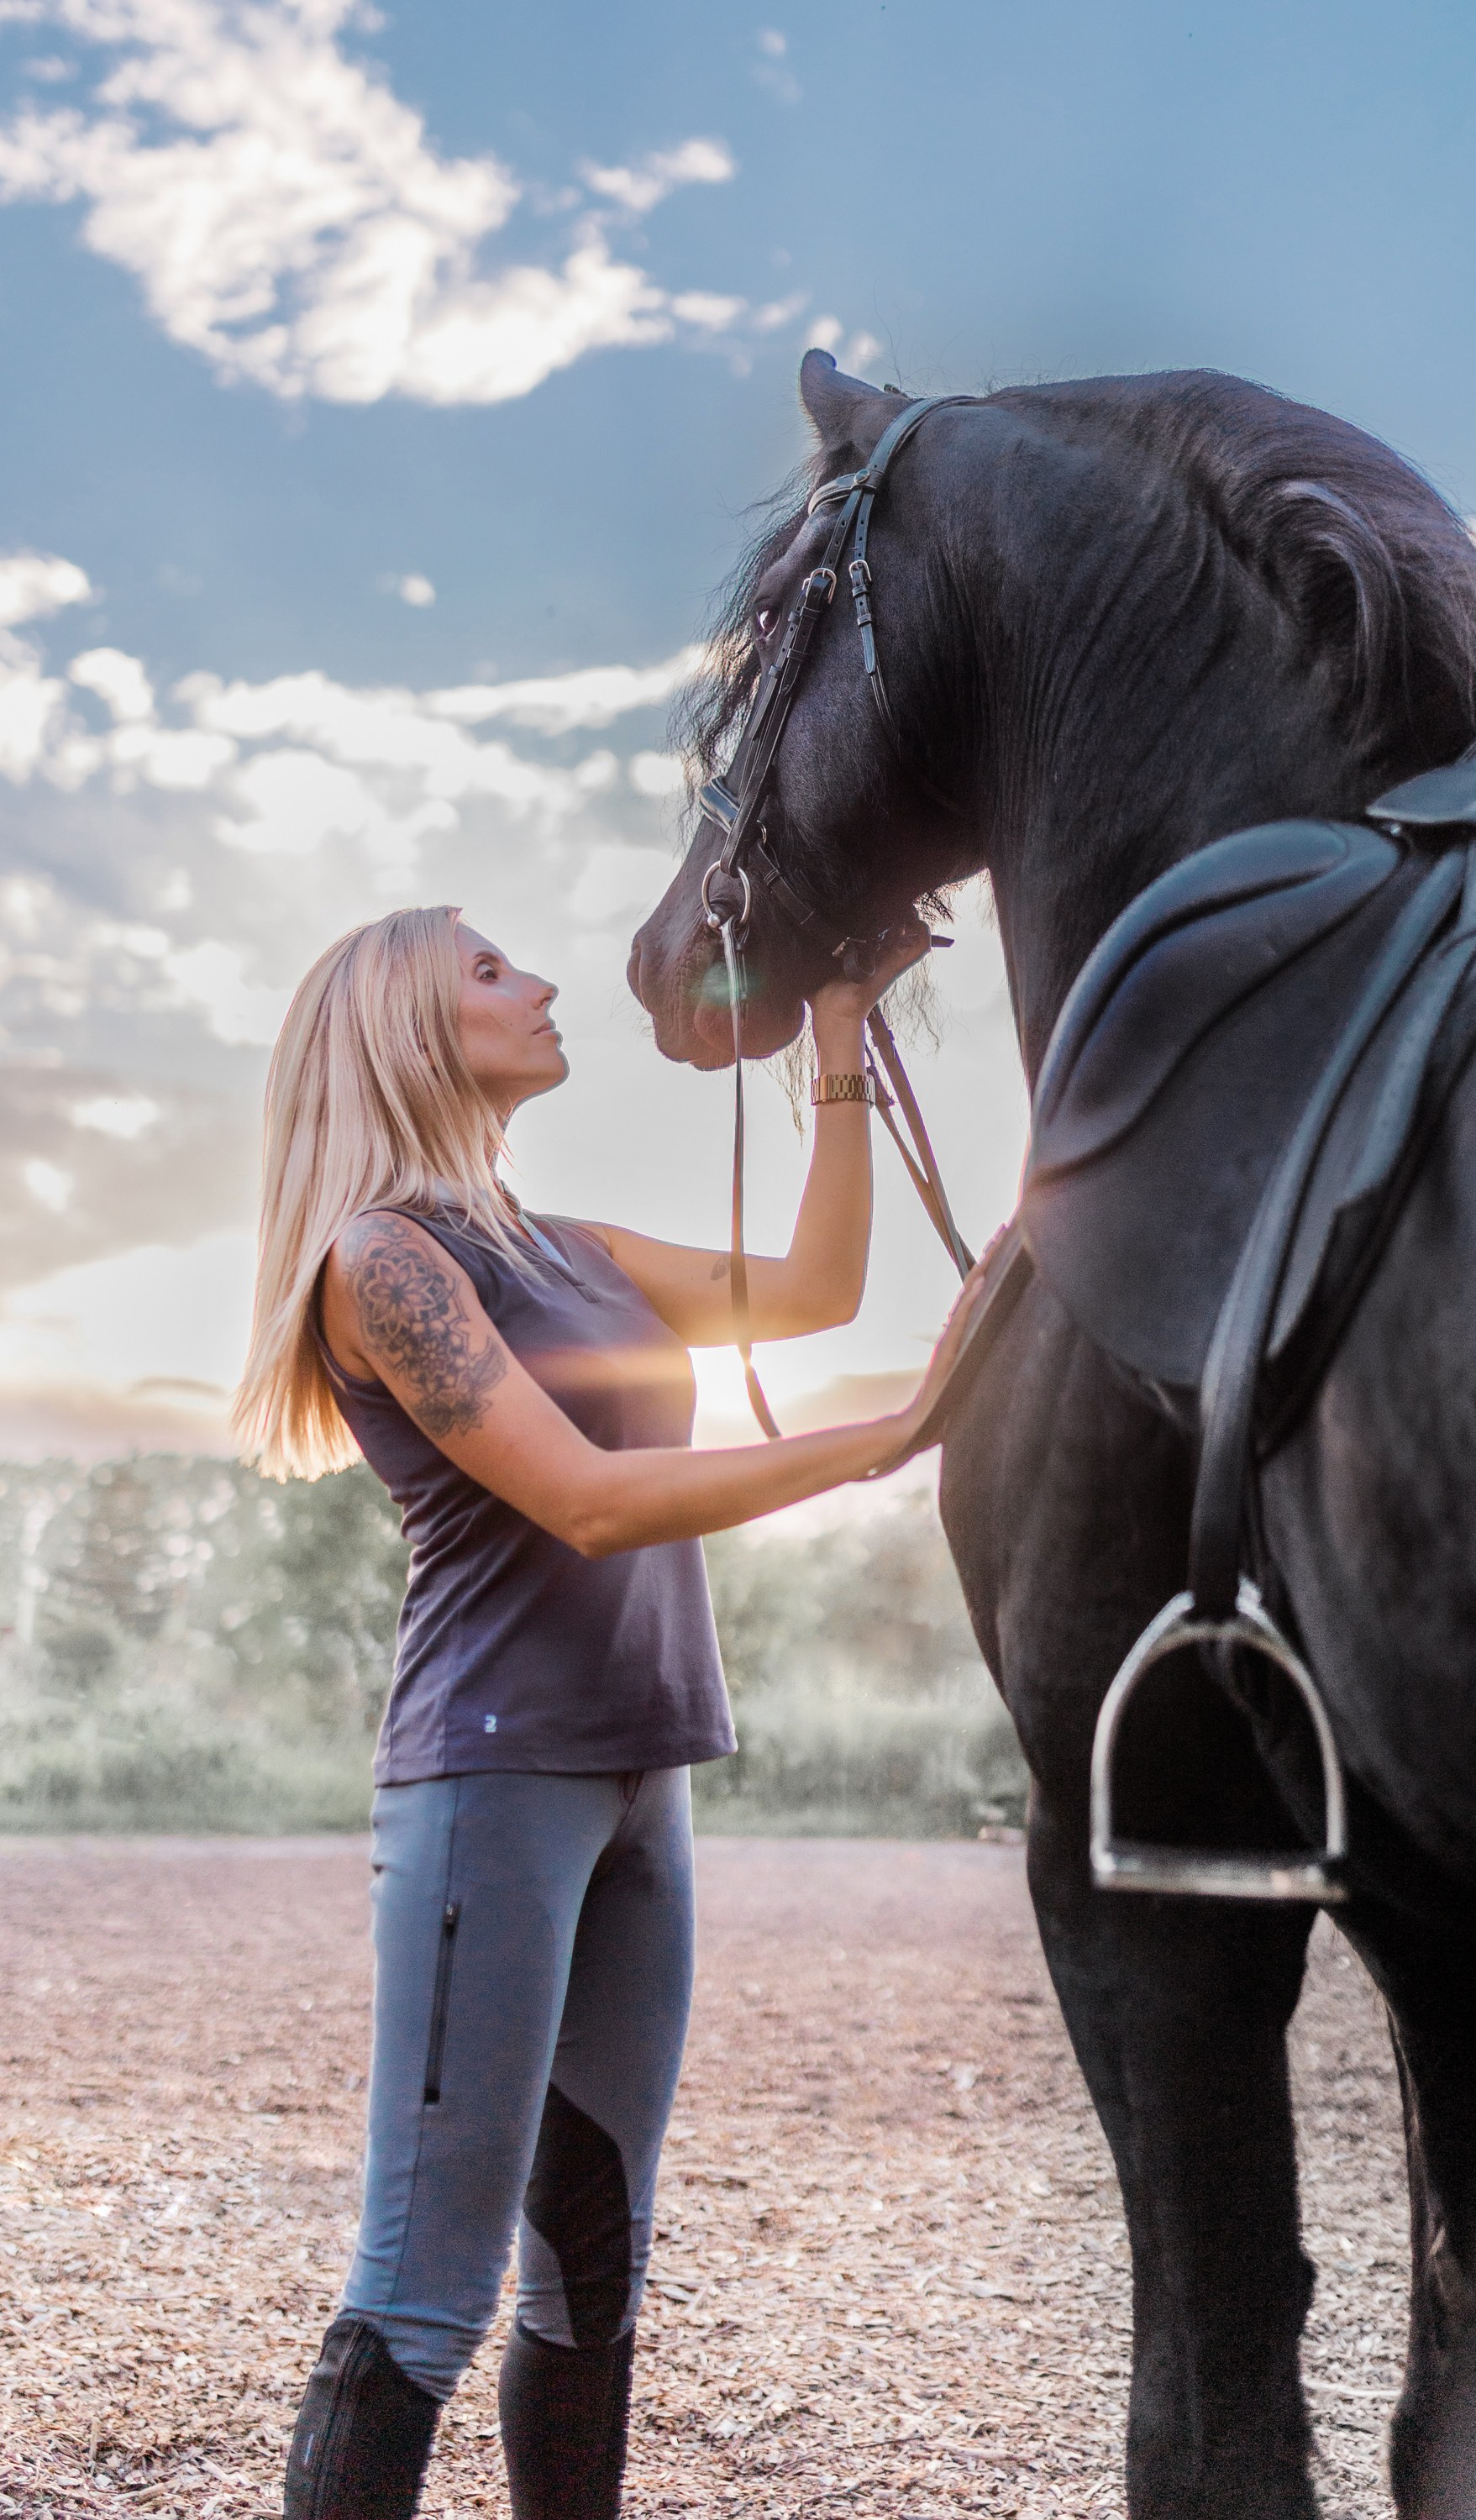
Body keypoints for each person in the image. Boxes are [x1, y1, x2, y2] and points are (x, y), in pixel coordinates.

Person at [234, 903, 979, 2520]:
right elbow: (584, 1498)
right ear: (409, 1031)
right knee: (424, 2286)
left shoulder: (572, 1248)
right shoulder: (381, 1264)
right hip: (492, 1779)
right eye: (492, 969)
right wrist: (888, 1437)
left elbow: (818, 1289)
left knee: (593, 2270)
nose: (546, 981)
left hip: (648, 1768)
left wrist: (840, 1047)